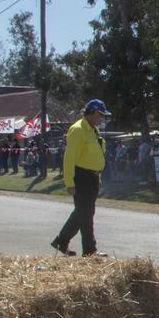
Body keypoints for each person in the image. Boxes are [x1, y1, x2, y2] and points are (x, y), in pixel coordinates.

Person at [51, 99, 112, 257]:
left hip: (92, 177)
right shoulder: (78, 130)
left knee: (82, 212)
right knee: (86, 214)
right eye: (100, 114)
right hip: (81, 176)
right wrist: (69, 182)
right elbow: (69, 158)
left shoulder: (93, 130)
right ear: (91, 112)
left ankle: (61, 240)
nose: (102, 118)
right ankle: (90, 250)